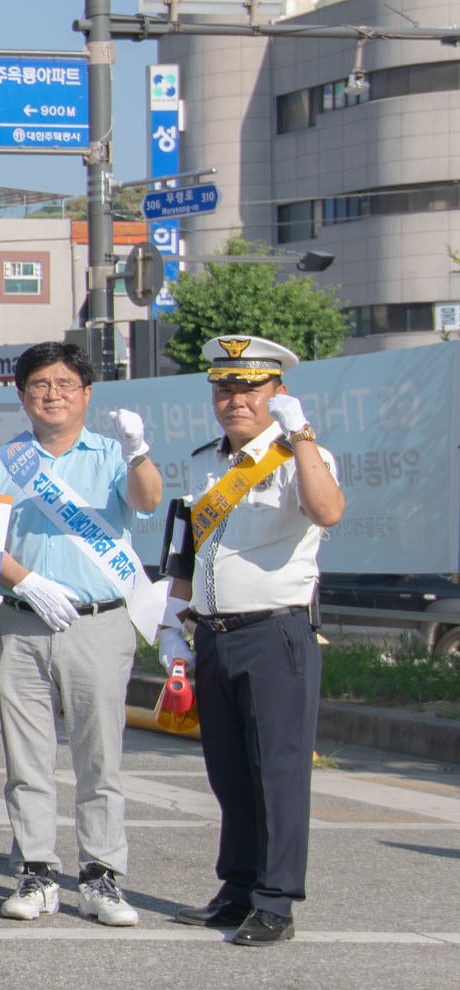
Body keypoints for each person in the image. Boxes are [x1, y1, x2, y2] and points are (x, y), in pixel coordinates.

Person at [164, 336, 345, 946]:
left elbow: (327, 511)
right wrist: (172, 626)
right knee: (229, 772)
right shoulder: (204, 461)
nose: (235, 399)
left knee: (279, 772)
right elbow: (186, 549)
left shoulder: (300, 455)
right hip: (215, 635)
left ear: (279, 393)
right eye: (224, 387)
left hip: (275, 633)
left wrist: (302, 435)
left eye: (250, 388)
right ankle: (238, 887)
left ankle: (276, 900)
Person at [0, 341, 164, 928]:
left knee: (100, 756)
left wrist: (139, 453)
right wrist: (27, 581)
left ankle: (101, 875)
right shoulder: (1, 463)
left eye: (65, 384)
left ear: (86, 393)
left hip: (98, 623)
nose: (53, 394)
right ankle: (36, 872)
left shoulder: (113, 455)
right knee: (25, 758)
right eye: (40, 384)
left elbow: (147, 501)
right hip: (22, 621)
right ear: (22, 395)